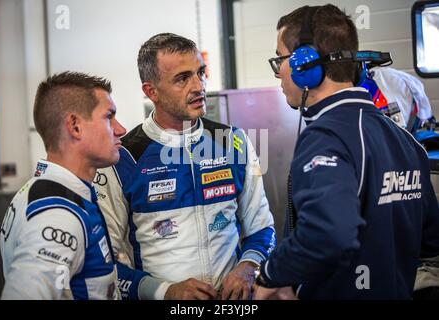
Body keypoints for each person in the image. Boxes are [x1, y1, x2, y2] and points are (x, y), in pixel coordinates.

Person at [253, 4, 439, 299]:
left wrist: (271, 274)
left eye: (280, 60)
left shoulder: (325, 137)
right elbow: (430, 242)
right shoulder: (405, 140)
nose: (279, 74)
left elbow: (329, 231)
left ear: (306, 66)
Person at [96, 33, 276, 300]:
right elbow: (106, 264)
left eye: (200, 73)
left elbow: (262, 228)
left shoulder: (234, 142)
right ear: (151, 91)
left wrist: (248, 267)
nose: (198, 86)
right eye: (182, 78)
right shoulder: (122, 158)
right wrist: (163, 291)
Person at [0, 72, 126, 299]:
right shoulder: (59, 214)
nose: (120, 129)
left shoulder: (50, 190)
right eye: (109, 117)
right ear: (75, 126)